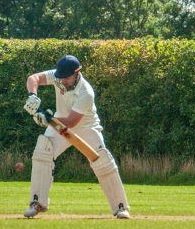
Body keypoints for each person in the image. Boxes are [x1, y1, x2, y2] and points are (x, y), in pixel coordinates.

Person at [22, 55, 130, 219]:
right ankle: (37, 203)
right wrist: (33, 95)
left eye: (66, 77)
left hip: (86, 126)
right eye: (61, 77)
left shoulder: (86, 92)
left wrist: (48, 120)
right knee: (43, 151)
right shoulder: (59, 77)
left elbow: (71, 122)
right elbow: (34, 78)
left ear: (77, 73)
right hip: (59, 122)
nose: (62, 81)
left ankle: (121, 207)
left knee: (102, 160)